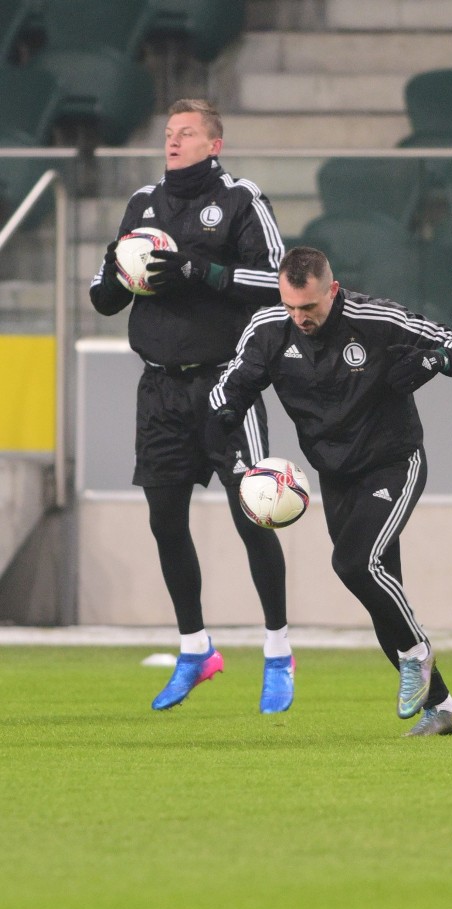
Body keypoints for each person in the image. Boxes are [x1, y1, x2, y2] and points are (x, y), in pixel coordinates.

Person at [209, 246, 452, 737]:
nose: (300, 317)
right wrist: (226, 413)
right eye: (291, 306)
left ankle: (418, 655)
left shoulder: (375, 319)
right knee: (378, 594)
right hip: (335, 476)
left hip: (393, 463)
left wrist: (433, 359)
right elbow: (231, 383)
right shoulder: (269, 328)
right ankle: (441, 707)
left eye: (309, 307)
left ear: (332, 291)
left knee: (354, 564)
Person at [89, 99, 293, 715]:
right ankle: (195, 646)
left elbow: (280, 283)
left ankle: (278, 650)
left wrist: (199, 270)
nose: (173, 142)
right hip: (158, 388)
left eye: (186, 134)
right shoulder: (142, 204)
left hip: (226, 383)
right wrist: (118, 279)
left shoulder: (241, 200)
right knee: (164, 520)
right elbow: (103, 298)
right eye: (169, 133)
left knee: (253, 514)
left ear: (214, 144)